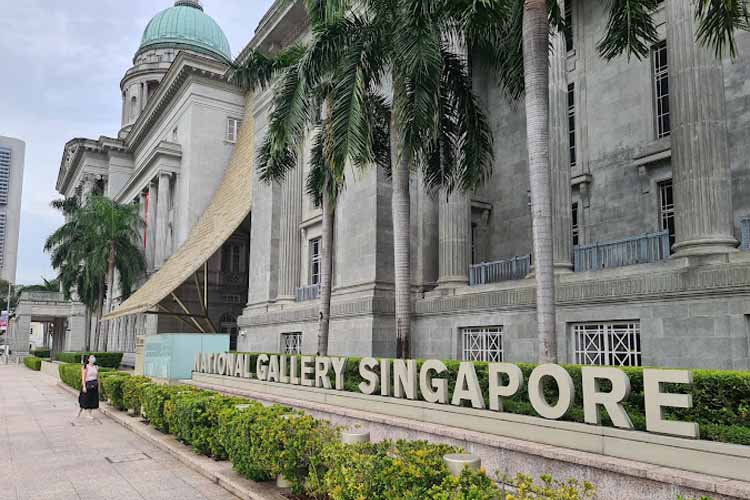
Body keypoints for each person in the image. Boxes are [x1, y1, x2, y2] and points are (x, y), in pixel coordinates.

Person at [77, 355, 99, 419]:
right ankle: (80, 411)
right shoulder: (85, 367)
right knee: (84, 399)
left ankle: (89, 414)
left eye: (94, 357)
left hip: (94, 384)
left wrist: (99, 386)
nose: (93, 358)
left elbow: (98, 377)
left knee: (92, 400)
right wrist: (84, 386)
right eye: (91, 357)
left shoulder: (96, 367)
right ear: (88, 359)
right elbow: (83, 377)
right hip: (87, 384)